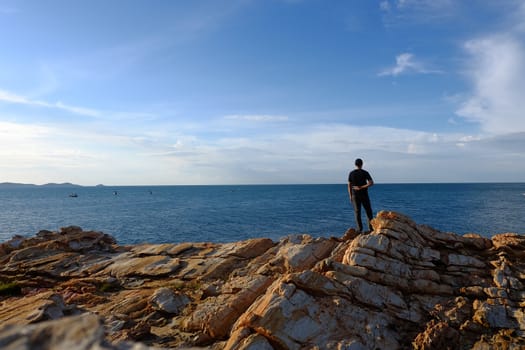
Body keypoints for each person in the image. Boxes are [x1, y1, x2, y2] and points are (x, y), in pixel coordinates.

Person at [348, 158, 374, 233]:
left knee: (357, 212)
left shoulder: (351, 173)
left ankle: (359, 229)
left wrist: (350, 195)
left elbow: (349, 185)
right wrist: (362, 187)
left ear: (355, 164)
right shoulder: (365, 172)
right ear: (362, 164)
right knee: (368, 211)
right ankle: (371, 229)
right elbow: (371, 183)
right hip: (364, 195)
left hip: (355, 195)